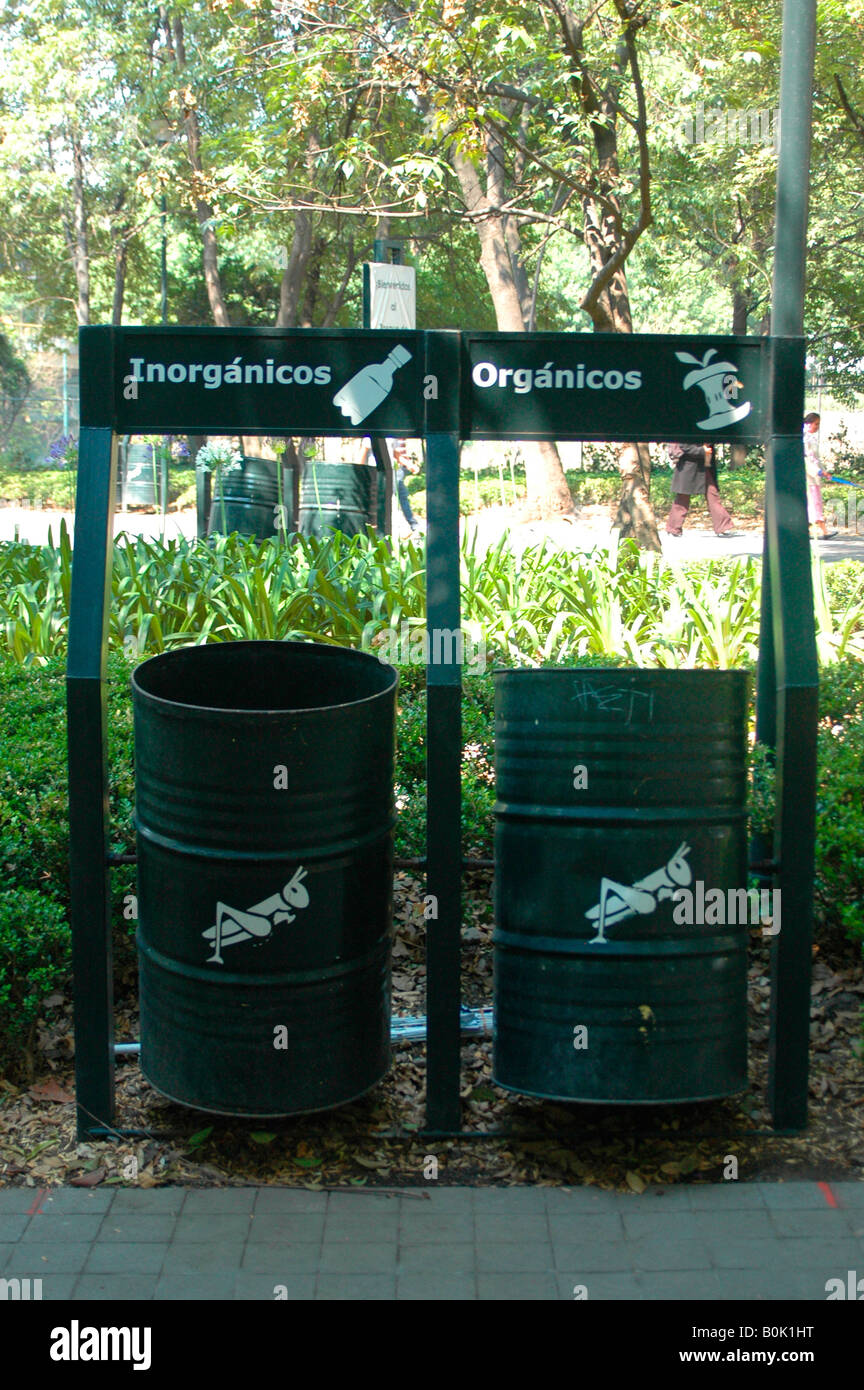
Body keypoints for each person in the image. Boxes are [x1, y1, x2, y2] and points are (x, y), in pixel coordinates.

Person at [665, 441, 737, 537]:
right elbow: (685, 446)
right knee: (682, 498)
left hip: (705, 466)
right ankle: (673, 528)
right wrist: (702, 450)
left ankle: (723, 526)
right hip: (688, 466)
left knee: (713, 495)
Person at [803, 412, 837, 540]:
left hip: (815, 476)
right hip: (809, 476)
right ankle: (824, 532)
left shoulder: (811, 439)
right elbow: (806, 460)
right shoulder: (804, 440)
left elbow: (816, 459)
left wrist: (824, 471)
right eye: (816, 424)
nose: (817, 426)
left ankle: (809, 531)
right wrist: (817, 471)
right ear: (809, 424)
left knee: (814, 503)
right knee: (815, 503)